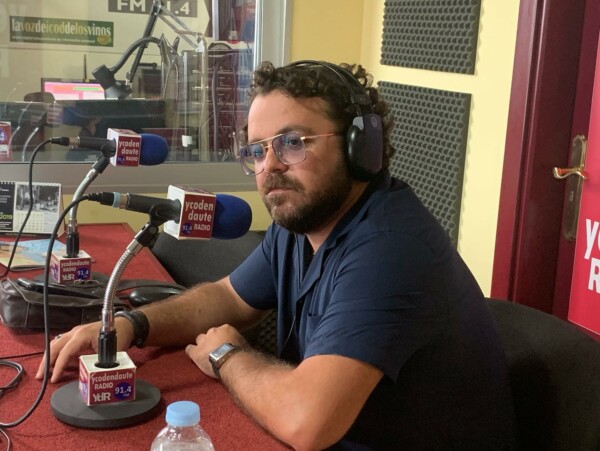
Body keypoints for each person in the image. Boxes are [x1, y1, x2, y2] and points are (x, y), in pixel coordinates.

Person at [37, 60, 517, 450]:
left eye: (292, 143)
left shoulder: (391, 249)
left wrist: (227, 354)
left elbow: (308, 421)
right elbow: (228, 298)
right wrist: (132, 326)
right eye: (257, 150)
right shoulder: (303, 221)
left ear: (360, 147)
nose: (269, 167)